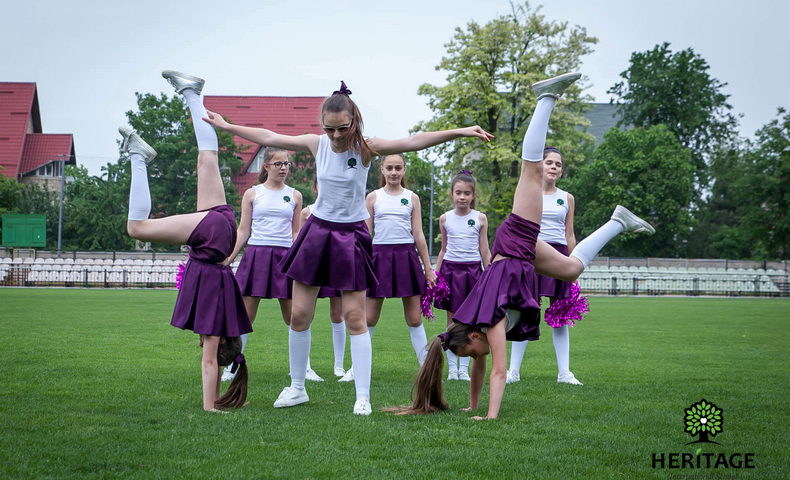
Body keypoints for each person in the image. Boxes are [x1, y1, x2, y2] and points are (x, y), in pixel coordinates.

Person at [204, 80, 492, 415]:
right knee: (299, 315)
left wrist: (461, 131)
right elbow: (268, 137)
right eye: (329, 128)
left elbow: (414, 142)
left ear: (353, 122)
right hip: (317, 233)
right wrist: (227, 126)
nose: (336, 135)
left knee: (356, 317)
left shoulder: (367, 148)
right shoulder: (317, 144)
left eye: (342, 128)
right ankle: (298, 388)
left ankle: (363, 397)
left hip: (351, 236)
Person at [386, 72, 655, 419]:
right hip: (519, 257)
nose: (476, 358)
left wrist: (490, 417)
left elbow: (499, 370)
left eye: (470, 355)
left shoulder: (489, 322)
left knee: (531, 171)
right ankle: (619, 221)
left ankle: (545, 98)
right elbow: (484, 366)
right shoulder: (475, 334)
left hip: (514, 247)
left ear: (470, 339)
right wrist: (472, 405)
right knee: (571, 268)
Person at [122, 70, 253, 411]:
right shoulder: (216, 327)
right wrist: (211, 407)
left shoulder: (228, 314)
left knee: (206, 158)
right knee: (137, 228)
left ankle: (192, 94)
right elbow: (210, 363)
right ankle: (138, 157)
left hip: (223, 224)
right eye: (206, 343)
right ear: (224, 341)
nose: (202, 343)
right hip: (211, 234)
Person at [219, 148, 322, 381]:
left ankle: (304, 368)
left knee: (295, 316)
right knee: (245, 315)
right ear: (266, 166)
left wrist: (302, 259)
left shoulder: (295, 195)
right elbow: (243, 230)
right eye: (278, 164)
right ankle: (232, 366)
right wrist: (229, 258)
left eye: (287, 164)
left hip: (285, 258)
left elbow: (296, 232)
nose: (284, 168)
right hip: (256, 256)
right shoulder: (252, 194)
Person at [507, 146, 582, 385]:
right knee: (525, 311)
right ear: (540, 165)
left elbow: (569, 235)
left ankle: (564, 373)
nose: (553, 167)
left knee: (560, 314)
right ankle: (513, 372)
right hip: (531, 254)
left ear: (561, 171)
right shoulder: (527, 193)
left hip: (559, 256)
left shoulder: (567, 198)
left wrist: (573, 266)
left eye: (558, 164)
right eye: (549, 162)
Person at [364, 153, 437, 367]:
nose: (394, 172)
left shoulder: (412, 197)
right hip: (379, 258)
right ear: (382, 170)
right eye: (389, 168)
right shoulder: (373, 197)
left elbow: (419, 234)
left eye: (398, 168)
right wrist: (361, 264)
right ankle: (357, 366)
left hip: (407, 257)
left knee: (414, 318)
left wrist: (428, 268)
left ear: (404, 170)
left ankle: (425, 367)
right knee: (368, 318)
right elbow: (366, 234)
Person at [434, 170, 491, 381]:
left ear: (473, 195)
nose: (462, 197)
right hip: (451, 271)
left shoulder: (479, 218)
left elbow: (485, 251)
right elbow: (443, 249)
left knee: (470, 322)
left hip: (473, 271)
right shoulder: (445, 218)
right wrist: (436, 275)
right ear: (451, 194)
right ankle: (451, 370)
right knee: (451, 322)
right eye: (458, 192)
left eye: (467, 193)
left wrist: (490, 274)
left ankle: (463, 369)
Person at [300, 178, 348, 379]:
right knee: (306, 316)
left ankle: (339, 365)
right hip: (313, 266)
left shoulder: (342, 209)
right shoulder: (307, 212)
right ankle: (306, 366)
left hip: (336, 266)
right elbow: (300, 240)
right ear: (315, 188)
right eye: (321, 184)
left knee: (338, 315)